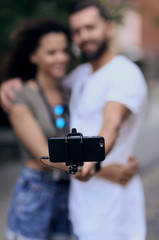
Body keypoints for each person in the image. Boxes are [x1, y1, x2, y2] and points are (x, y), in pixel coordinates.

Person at [0, 1, 147, 239]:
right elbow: (41, 151)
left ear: (109, 27)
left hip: (109, 208)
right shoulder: (77, 78)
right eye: (77, 31)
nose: (83, 36)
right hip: (65, 199)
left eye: (90, 27)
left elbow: (112, 123)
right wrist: (9, 84)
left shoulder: (124, 73)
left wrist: (95, 162)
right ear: (34, 56)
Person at [1, 19, 73, 240]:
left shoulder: (69, 90)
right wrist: (102, 170)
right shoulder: (20, 96)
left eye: (64, 51)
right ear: (34, 57)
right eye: (52, 52)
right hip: (36, 192)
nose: (61, 58)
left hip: (66, 191)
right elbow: (45, 155)